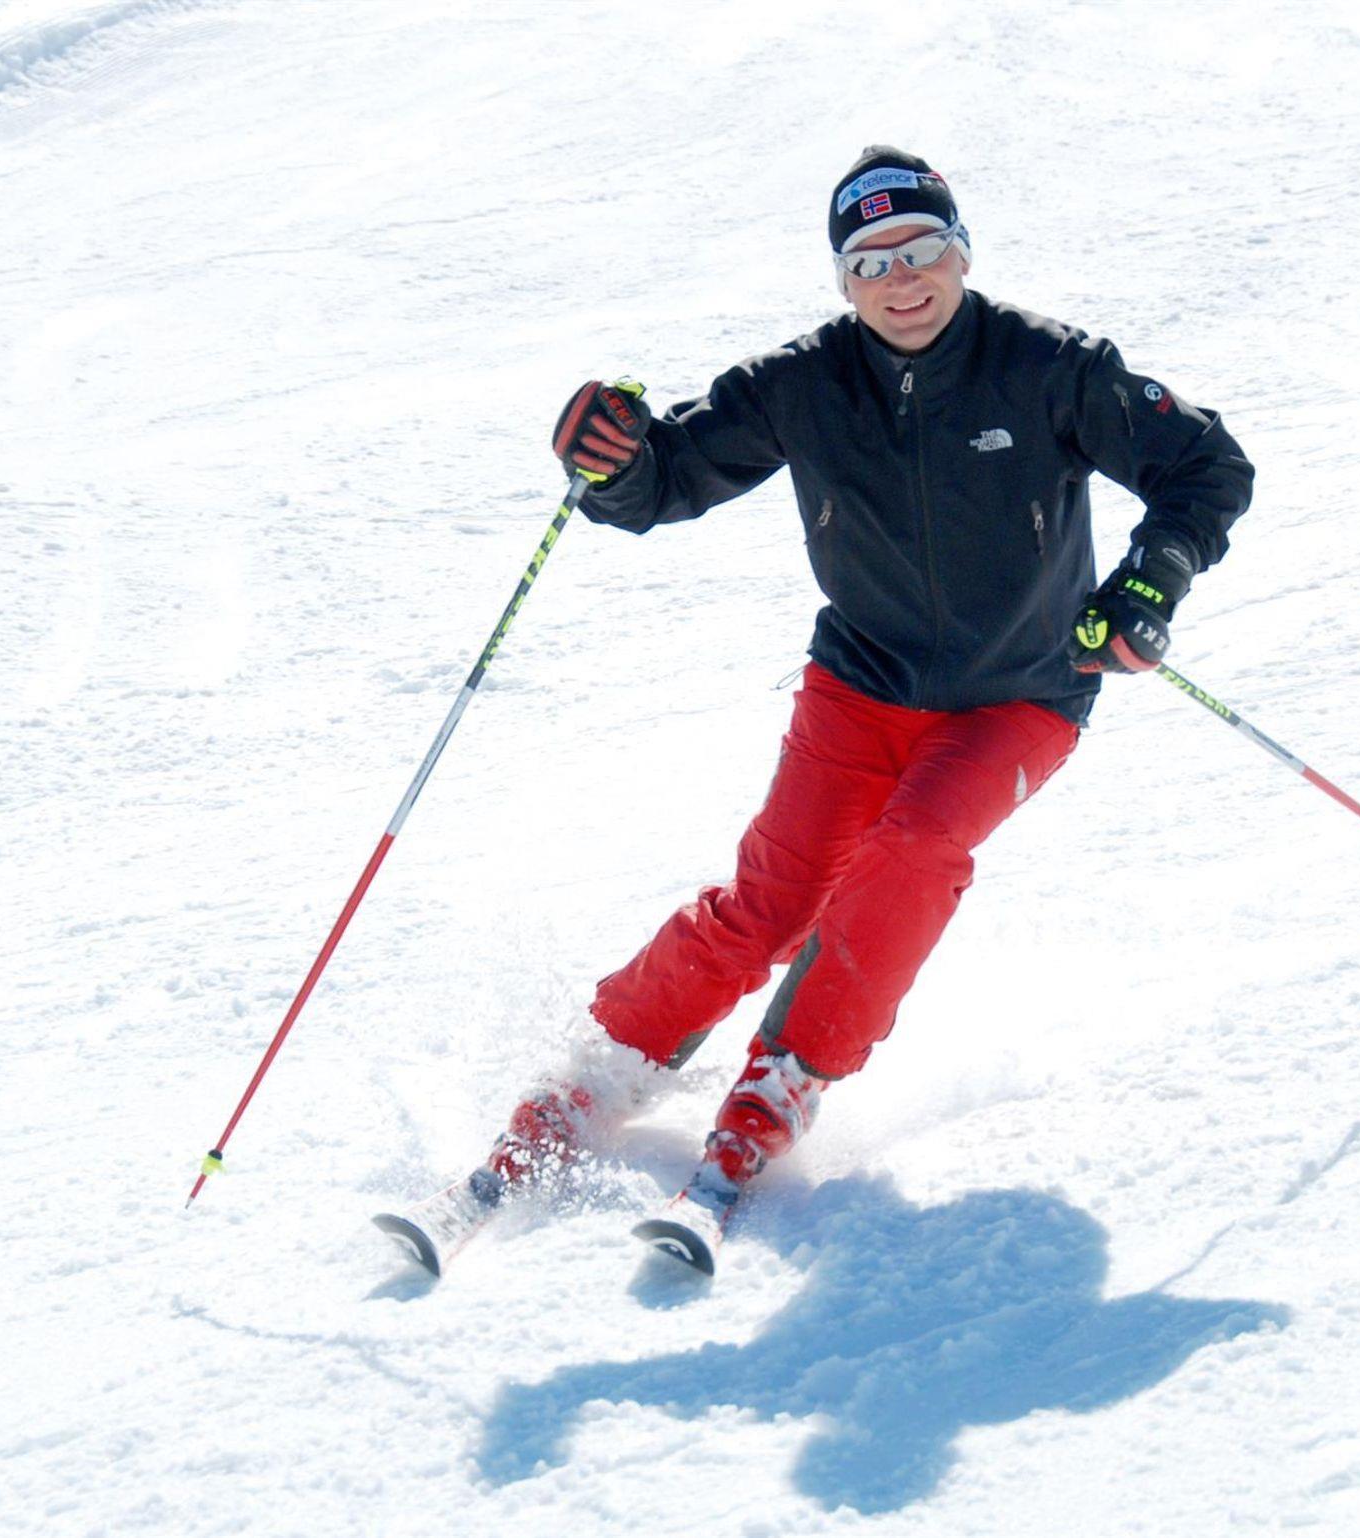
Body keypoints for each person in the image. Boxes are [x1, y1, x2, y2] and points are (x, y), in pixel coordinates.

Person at [487, 146, 1254, 1236]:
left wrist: (1149, 580)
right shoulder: (803, 384)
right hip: (860, 685)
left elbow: (1206, 466)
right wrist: (609, 464)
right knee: (772, 904)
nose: (902, 279)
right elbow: (666, 478)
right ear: (843, 282)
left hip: (1021, 693)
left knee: (913, 849)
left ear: (961, 253)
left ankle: (783, 1081)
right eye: (870, 261)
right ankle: (602, 1070)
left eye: (922, 249)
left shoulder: (1049, 366)